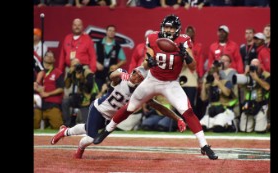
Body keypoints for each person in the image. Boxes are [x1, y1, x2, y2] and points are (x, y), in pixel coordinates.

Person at [93, 14, 218, 160]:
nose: (169, 30)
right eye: (166, 27)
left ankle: (204, 145)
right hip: (152, 79)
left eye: (172, 27)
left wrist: (186, 56)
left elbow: (193, 67)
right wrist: (149, 62)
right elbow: (146, 61)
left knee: (188, 112)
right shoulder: (153, 37)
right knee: (130, 107)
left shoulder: (183, 40)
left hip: (171, 83)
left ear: (177, 29)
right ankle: (106, 130)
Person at [51, 66, 186, 159]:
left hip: (110, 118)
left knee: (87, 128)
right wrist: (120, 74)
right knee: (91, 137)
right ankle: (79, 150)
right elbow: (111, 75)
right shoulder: (122, 77)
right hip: (99, 108)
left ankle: (65, 131)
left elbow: (160, 107)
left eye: (139, 77)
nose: (135, 77)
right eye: (134, 73)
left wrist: (178, 118)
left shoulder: (141, 93)